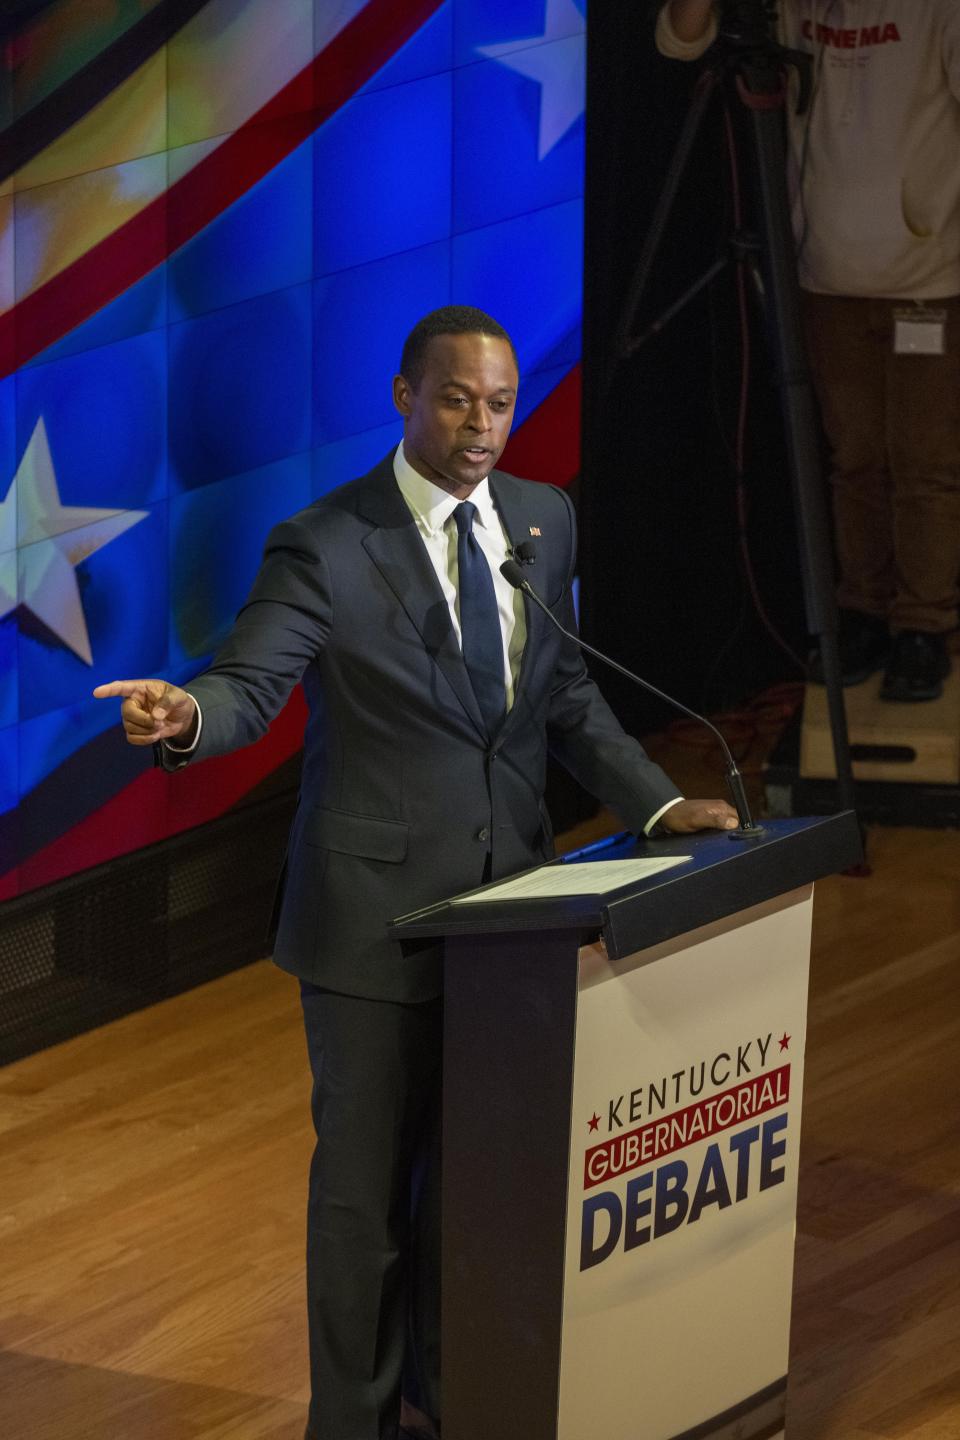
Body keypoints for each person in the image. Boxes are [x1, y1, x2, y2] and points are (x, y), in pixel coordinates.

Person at [94, 305, 738, 1440]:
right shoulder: (328, 542)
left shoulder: (541, 520)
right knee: (365, 1204)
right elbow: (251, 687)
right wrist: (187, 713)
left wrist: (659, 799)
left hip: (512, 929)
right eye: (457, 399)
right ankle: (352, 1423)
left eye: (498, 402)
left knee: (474, 1189)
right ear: (404, 397)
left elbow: (567, 700)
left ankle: (452, 1405)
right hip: (373, 929)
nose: (483, 425)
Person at [657, 0, 960, 700]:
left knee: (927, 464)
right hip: (824, 271)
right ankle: (862, 611)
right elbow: (680, 40)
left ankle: (924, 623)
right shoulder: (795, 6)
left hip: (929, 276)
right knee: (852, 459)